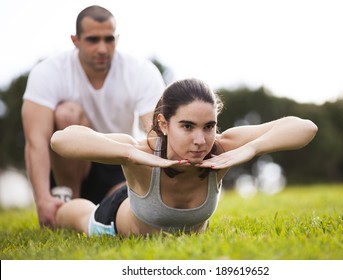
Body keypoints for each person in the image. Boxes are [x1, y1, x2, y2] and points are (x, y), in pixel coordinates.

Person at [50, 78, 318, 237]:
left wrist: (251, 148)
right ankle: (59, 204)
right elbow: (61, 140)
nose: (200, 140)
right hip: (113, 222)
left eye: (209, 126)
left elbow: (305, 127)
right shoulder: (141, 151)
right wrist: (132, 155)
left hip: (139, 200)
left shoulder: (223, 149)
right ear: (164, 124)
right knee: (75, 215)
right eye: (187, 127)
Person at [21, 5, 165, 229]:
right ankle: (69, 202)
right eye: (92, 40)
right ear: (75, 40)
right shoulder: (48, 72)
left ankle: (94, 209)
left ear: (117, 38)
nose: (102, 48)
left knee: (125, 209)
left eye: (109, 39)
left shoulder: (141, 72)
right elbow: (35, 141)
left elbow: (156, 134)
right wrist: (42, 200)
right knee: (67, 113)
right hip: (68, 167)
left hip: (116, 161)